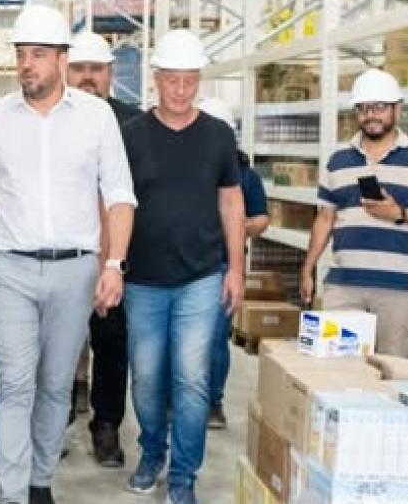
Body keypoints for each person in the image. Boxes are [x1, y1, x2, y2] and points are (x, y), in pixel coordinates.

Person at [0, 4, 137, 504]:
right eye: (21, 54)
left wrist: (112, 265)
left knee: (57, 386)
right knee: (13, 384)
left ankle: (39, 481)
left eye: (38, 54)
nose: (26, 64)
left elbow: (120, 195)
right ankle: (11, 495)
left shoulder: (97, 117)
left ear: (62, 59)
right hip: (9, 268)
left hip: (76, 271)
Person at [120, 31, 246, 504]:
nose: (180, 89)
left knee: (192, 379)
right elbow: (114, 204)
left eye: (189, 80)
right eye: (171, 80)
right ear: (156, 79)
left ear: (199, 81)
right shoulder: (132, 135)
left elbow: (232, 203)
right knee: (148, 377)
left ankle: (183, 477)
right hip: (144, 279)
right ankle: (153, 450)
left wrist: (235, 270)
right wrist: (110, 264)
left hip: (201, 277)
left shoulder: (217, 134)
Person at [301, 69, 408, 360]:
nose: (371, 115)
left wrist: (400, 213)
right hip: (344, 285)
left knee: (394, 374)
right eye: (364, 108)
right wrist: (308, 268)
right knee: (337, 373)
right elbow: (325, 218)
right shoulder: (338, 160)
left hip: (401, 289)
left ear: (397, 108)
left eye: (379, 107)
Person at [67, 31, 142, 467]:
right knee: (55, 345)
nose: (88, 77)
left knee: (112, 342)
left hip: (113, 254)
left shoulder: (132, 124)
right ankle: (54, 419)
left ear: (110, 73)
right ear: (66, 70)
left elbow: (133, 196)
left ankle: (107, 424)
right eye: (80, 68)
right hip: (61, 253)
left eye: (97, 69)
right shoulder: (50, 118)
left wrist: (116, 258)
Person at [197, 97, 270, 429]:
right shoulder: (185, 168)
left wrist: (241, 226)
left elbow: (261, 218)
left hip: (224, 266)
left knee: (214, 339)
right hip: (186, 266)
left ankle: (213, 401)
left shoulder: (245, 175)